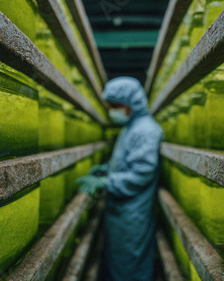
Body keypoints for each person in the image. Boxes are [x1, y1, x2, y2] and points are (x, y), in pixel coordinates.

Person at [76, 77, 163, 281]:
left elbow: (141, 174)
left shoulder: (146, 130)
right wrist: (107, 170)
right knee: (118, 263)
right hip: (120, 212)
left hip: (132, 215)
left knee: (130, 266)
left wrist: (107, 182)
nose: (112, 111)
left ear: (131, 103)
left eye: (115, 106)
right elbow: (126, 162)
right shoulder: (130, 127)